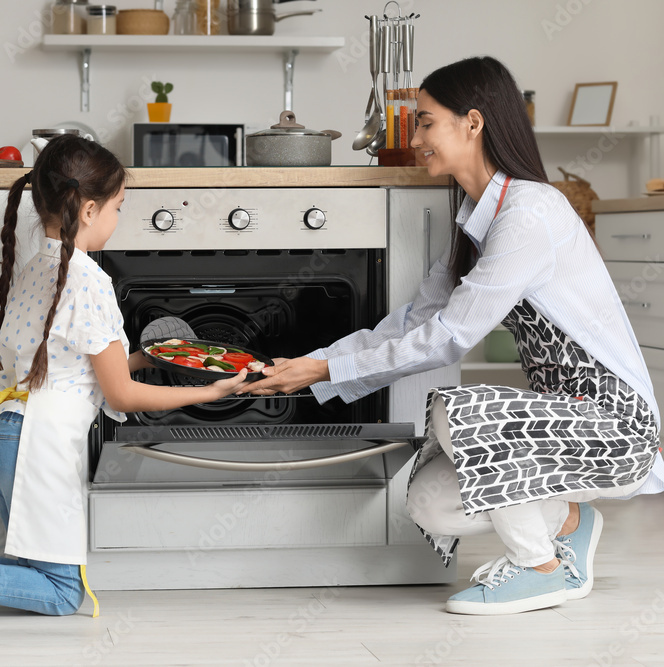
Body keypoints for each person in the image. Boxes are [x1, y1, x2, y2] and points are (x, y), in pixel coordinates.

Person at [242, 56, 663, 615]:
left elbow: (447, 338)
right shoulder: (475, 219)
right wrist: (311, 362)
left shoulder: (530, 214)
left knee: (452, 412)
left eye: (424, 121)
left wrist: (323, 371)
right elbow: (415, 321)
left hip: (617, 424)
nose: (415, 136)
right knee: (432, 502)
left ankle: (542, 568)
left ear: (473, 122)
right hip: (558, 424)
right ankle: (570, 520)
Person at [0, 134, 249, 624]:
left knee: (31, 569)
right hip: (39, 445)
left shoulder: (37, 269)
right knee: (59, 592)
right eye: (119, 208)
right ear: (90, 210)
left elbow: (73, 362)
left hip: (6, 435)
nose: (119, 221)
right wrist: (213, 389)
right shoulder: (90, 281)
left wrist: (147, 357)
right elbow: (119, 392)